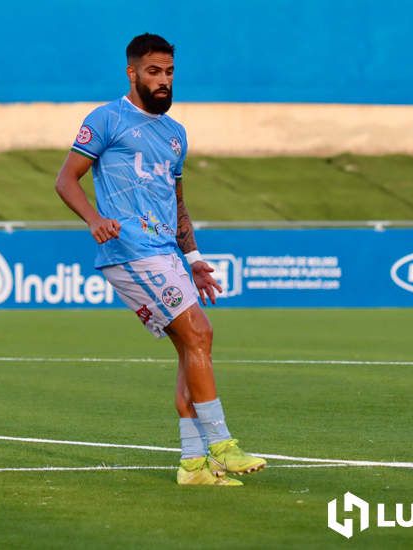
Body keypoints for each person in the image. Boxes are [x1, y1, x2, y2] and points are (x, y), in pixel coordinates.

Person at [55, 33, 266, 486]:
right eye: (154, 72)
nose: (164, 80)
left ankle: (193, 464)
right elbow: (65, 179)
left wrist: (192, 257)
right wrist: (93, 219)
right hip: (128, 249)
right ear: (132, 73)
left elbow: (177, 202)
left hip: (166, 252)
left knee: (191, 348)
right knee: (199, 332)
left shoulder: (175, 134)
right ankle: (222, 446)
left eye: (169, 72)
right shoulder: (106, 119)